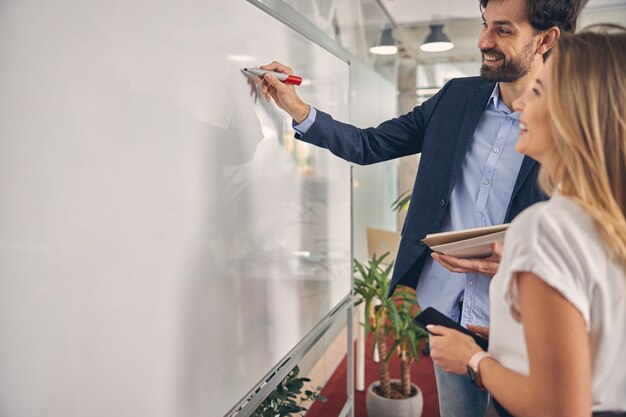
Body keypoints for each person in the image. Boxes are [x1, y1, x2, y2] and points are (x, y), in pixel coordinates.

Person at [256, 0, 581, 415]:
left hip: (525, 318)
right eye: (484, 25)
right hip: (448, 310)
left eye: (503, 30)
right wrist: (296, 108)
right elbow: (368, 144)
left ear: (546, 39)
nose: (483, 41)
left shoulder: (575, 120)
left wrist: (522, 258)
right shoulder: (456, 97)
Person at [428, 25, 626, 417]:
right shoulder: (608, 221)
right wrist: (513, 339)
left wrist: (473, 359)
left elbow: (559, 408)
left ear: (576, 110)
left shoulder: (545, 229)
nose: (517, 106)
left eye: (536, 92)